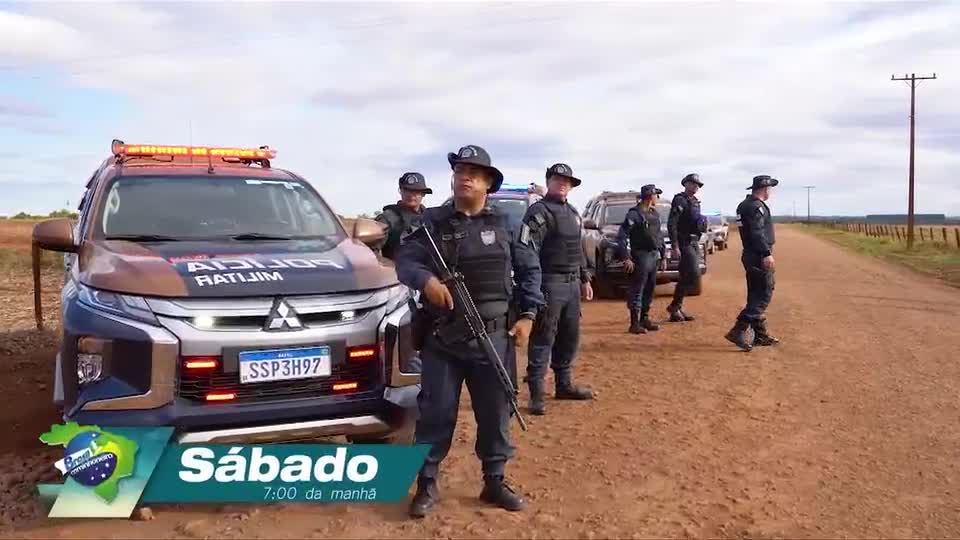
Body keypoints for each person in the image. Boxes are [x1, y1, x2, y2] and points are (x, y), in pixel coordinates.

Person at [395, 144, 545, 518]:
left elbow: (530, 272)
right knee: (435, 415)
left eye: (474, 173)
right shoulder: (431, 223)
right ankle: (426, 484)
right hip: (443, 339)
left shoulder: (508, 224)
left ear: (487, 184)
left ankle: (494, 480)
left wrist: (527, 315)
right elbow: (406, 261)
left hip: (494, 337)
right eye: (460, 170)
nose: (464, 177)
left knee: (496, 412)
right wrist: (426, 280)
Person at [520, 163, 595, 416]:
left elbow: (578, 249)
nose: (563, 183)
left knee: (569, 336)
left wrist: (585, 279)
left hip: (572, 283)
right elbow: (528, 251)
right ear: (549, 181)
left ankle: (564, 385)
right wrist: (533, 287)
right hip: (549, 283)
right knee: (543, 337)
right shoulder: (538, 212)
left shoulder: (573, 212)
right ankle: (537, 394)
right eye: (557, 179)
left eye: (567, 181)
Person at [726, 175, 780, 352]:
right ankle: (738, 330)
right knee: (764, 293)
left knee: (755, 294)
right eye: (769, 188)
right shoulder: (756, 207)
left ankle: (760, 334)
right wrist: (766, 253)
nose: (770, 191)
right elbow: (757, 232)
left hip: (750, 253)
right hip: (758, 254)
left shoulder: (744, 205)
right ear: (764, 189)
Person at [615, 184, 667, 334]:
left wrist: (663, 256)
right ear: (650, 196)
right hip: (641, 256)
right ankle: (634, 323)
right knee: (637, 290)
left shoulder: (654, 214)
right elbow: (622, 237)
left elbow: (659, 237)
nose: (657, 197)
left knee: (650, 289)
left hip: (653, 256)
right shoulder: (634, 214)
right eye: (656, 195)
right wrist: (626, 257)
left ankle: (644, 318)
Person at [666, 172, 707, 322]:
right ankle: (674, 306)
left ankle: (676, 308)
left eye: (698, 185)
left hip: (695, 242)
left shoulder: (695, 201)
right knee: (693, 273)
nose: (696, 186)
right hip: (684, 243)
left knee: (686, 275)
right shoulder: (680, 200)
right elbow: (672, 224)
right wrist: (675, 245)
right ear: (686, 184)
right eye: (693, 184)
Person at [376, 172, 433, 260]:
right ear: (400, 191)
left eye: (416, 191)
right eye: (407, 190)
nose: (411, 195)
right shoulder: (387, 219)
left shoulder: (432, 219)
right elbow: (370, 253)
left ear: (423, 194)